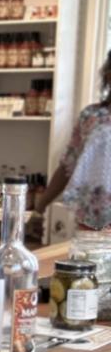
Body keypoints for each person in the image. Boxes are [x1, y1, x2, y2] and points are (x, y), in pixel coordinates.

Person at [35, 49, 111, 230]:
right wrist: (40, 208)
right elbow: (68, 165)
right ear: (108, 76)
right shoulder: (92, 116)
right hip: (91, 218)